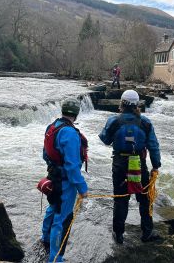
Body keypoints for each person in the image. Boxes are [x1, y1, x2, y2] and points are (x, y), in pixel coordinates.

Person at [99, 90, 162, 244]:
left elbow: (105, 139)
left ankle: (119, 234)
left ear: (122, 103)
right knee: (145, 199)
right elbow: (153, 146)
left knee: (121, 200)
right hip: (139, 164)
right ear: (137, 104)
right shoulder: (145, 122)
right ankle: (147, 232)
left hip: (120, 164)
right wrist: (156, 165)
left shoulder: (113, 121)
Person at [41, 98, 88, 263]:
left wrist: (53, 169)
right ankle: (56, 258)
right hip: (65, 182)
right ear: (76, 113)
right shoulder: (70, 133)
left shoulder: (52, 126)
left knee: (52, 207)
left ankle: (45, 237)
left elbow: (45, 154)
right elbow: (73, 166)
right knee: (62, 219)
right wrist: (82, 188)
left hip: (53, 176)